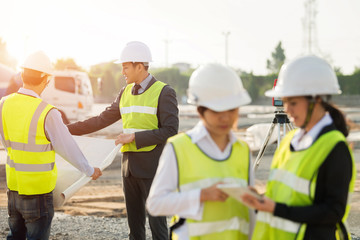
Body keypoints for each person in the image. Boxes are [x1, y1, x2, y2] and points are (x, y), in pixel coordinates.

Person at [67, 41, 179, 240]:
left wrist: (135, 137)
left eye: (125, 67)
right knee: (134, 229)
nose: (123, 72)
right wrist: (65, 130)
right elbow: (101, 120)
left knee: (158, 227)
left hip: (154, 168)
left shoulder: (164, 92)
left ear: (139, 66)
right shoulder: (125, 93)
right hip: (129, 168)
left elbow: (170, 130)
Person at [241, 55, 356, 240]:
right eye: (284, 102)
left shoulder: (335, 148)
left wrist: (276, 209)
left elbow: (332, 212)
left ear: (317, 100)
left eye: (293, 103)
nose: (287, 109)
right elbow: (286, 192)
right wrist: (262, 197)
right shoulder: (290, 140)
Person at [0, 51, 102, 240]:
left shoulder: (4, 104)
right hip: (38, 193)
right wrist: (89, 170)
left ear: (22, 75)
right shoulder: (47, 112)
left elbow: (6, 141)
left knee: (15, 237)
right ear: (46, 79)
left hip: (13, 188)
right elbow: (68, 148)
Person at [147, 63, 255, 240]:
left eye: (232, 109)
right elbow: (155, 204)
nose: (226, 117)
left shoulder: (242, 150)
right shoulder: (179, 147)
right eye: (217, 110)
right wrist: (201, 195)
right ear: (200, 110)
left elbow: (249, 214)